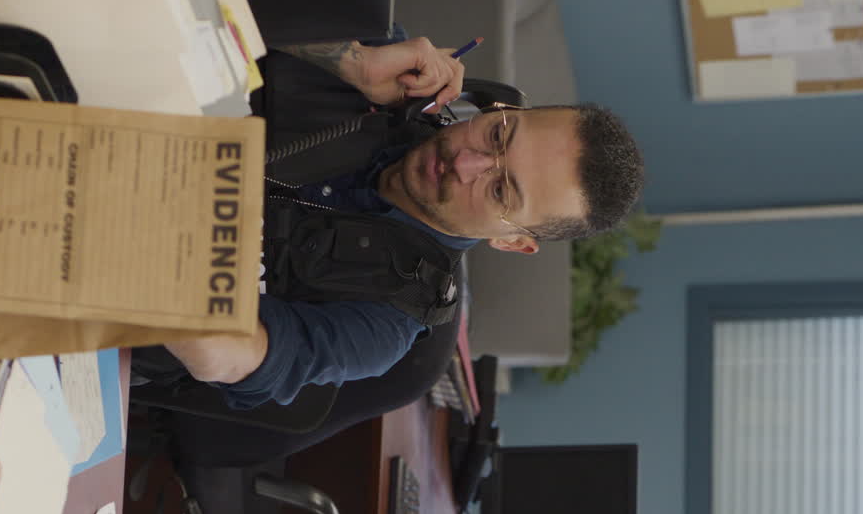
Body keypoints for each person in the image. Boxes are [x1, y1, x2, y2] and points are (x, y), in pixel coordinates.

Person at [157, 36, 645, 409]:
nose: (466, 163)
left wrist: (146, 228)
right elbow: (210, 16)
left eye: (499, 189)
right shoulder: (387, 80)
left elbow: (228, 356)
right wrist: (350, 60)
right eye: (497, 134)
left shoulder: (387, 323)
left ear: (515, 242)